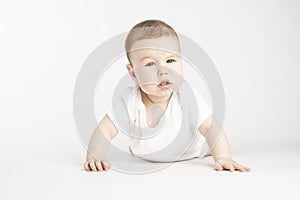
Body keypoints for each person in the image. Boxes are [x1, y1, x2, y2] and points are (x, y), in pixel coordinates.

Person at [84, 19, 251, 173]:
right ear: (133, 73)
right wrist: (94, 156)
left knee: (210, 142)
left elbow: (210, 127)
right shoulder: (129, 99)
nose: (163, 71)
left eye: (170, 61)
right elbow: (105, 129)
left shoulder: (187, 95)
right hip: (142, 159)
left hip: (190, 155)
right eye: (150, 64)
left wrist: (222, 157)